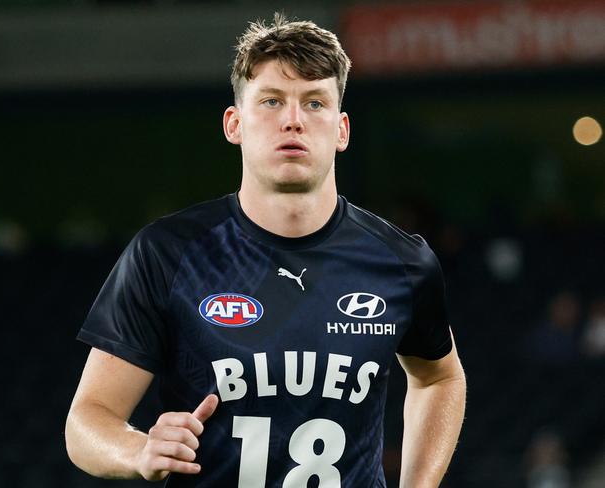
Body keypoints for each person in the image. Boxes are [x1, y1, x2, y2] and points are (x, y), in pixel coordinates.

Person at [65, 13, 466, 488]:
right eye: (271, 101)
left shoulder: (401, 262)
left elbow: (439, 378)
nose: (293, 120)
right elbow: (87, 421)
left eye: (315, 103)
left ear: (341, 131)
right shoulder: (166, 254)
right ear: (234, 123)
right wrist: (138, 448)